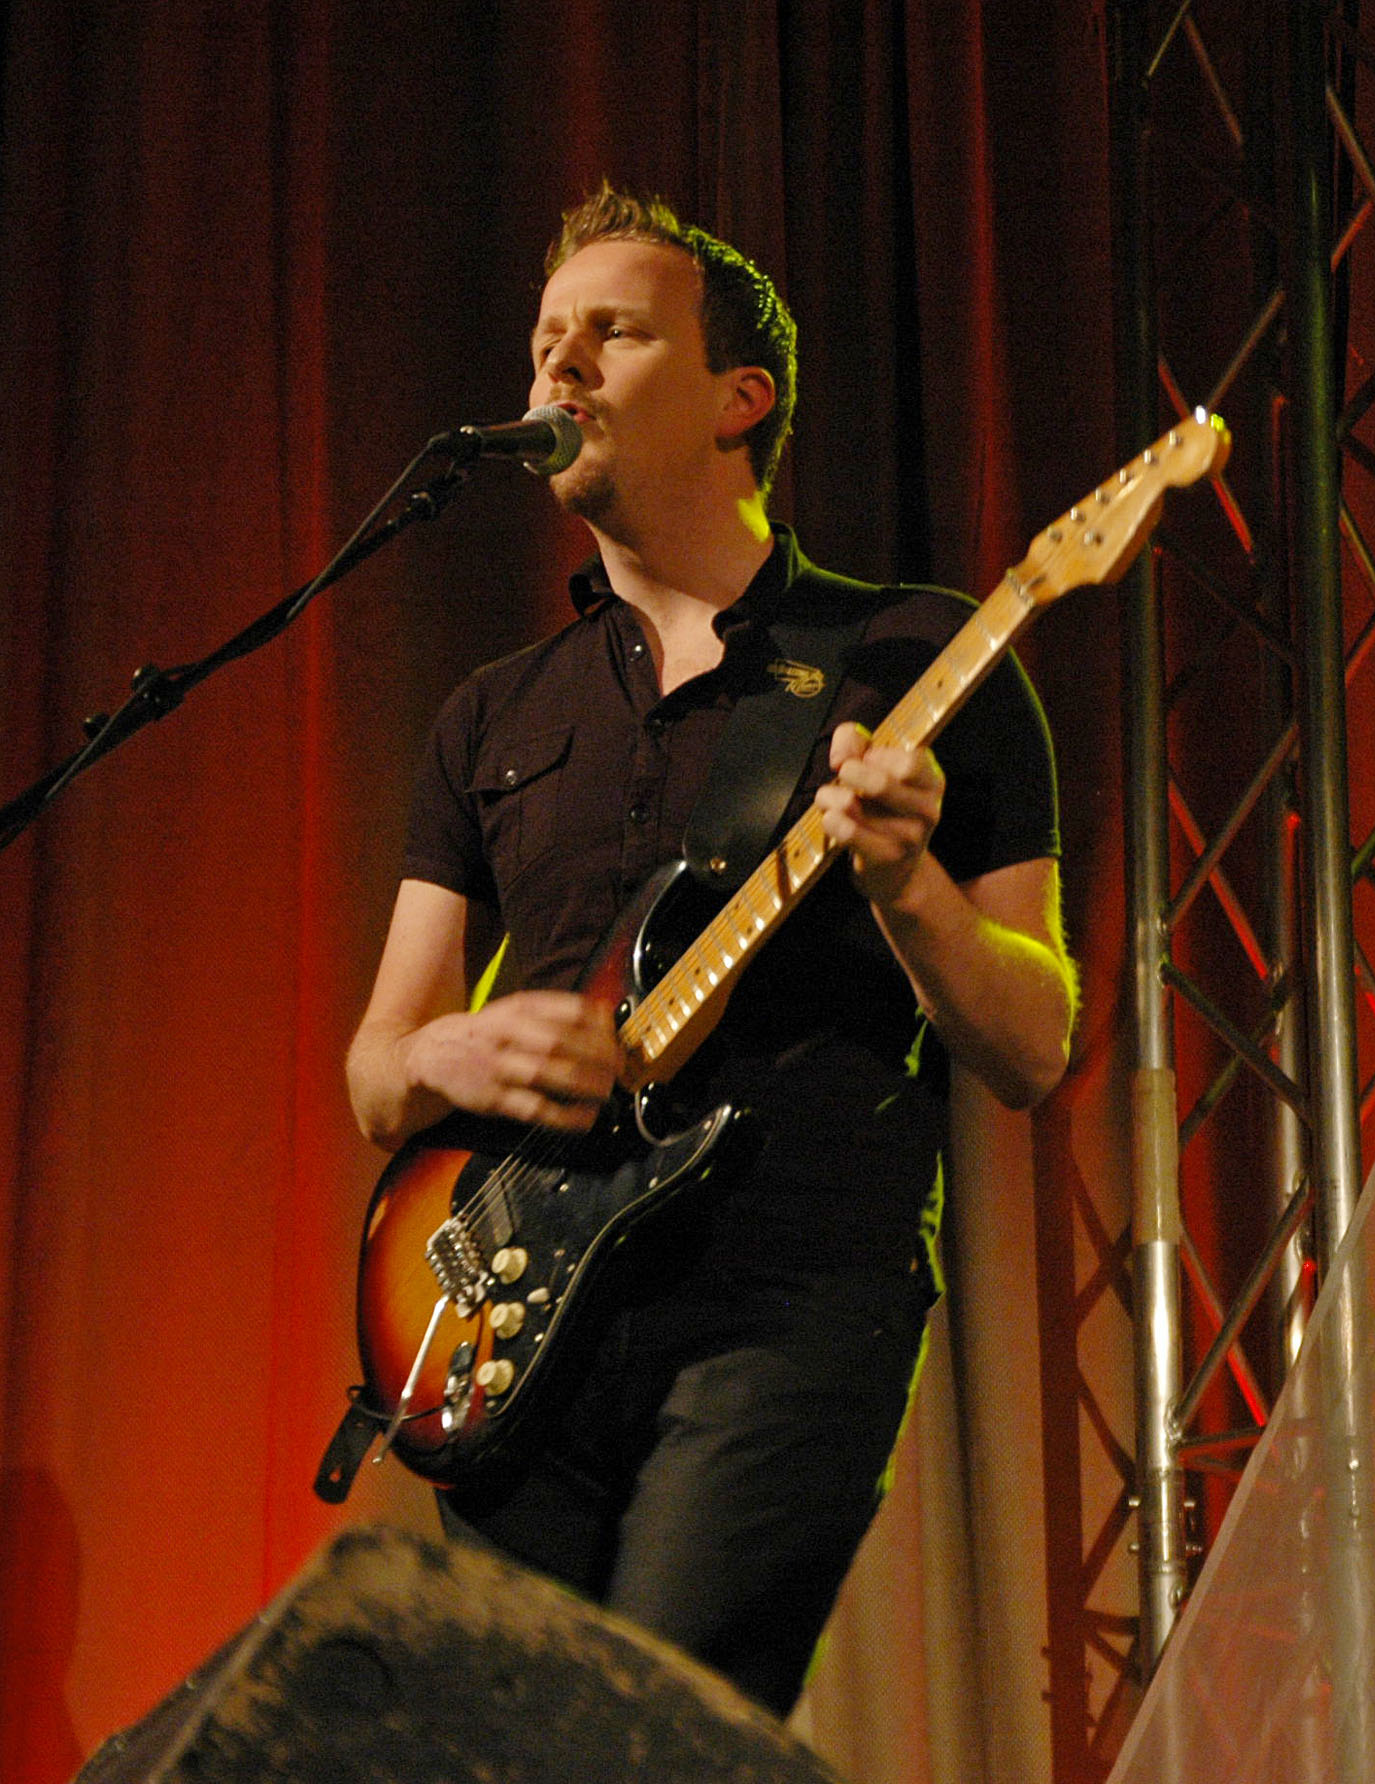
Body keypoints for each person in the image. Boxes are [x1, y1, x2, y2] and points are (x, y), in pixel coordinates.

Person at [346, 184, 1076, 1718]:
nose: (559, 371)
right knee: (508, 1749)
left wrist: (905, 888)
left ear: (741, 398)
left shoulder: (919, 656)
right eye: (545, 342)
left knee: (657, 1735)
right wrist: (446, 1051)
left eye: (610, 333)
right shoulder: (492, 712)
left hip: (788, 1303)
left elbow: (1031, 1040)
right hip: (519, 1318)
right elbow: (376, 1069)